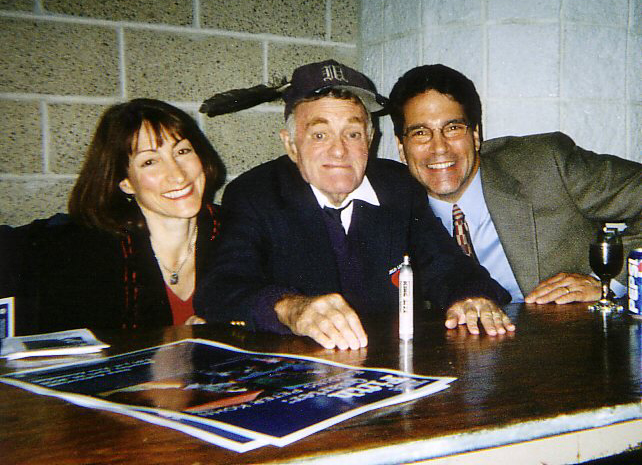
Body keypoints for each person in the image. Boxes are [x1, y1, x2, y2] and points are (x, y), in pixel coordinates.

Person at [194, 60, 513, 350]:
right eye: (320, 135)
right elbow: (220, 287)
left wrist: (471, 297)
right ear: (291, 144)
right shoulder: (256, 195)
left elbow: (447, 265)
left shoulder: (397, 188)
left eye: (353, 133)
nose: (339, 151)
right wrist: (291, 308)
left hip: (394, 365)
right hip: (301, 373)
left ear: (370, 140)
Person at [388, 64, 642, 304]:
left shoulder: (546, 164)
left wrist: (607, 283)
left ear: (475, 135)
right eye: (420, 133)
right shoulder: (391, 212)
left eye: (453, 128)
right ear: (401, 147)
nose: (439, 148)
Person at [3, 98, 224, 334]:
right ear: (125, 182)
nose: (177, 175)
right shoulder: (89, 255)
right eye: (149, 161)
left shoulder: (234, 229)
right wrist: (172, 340)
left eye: (182, 151)